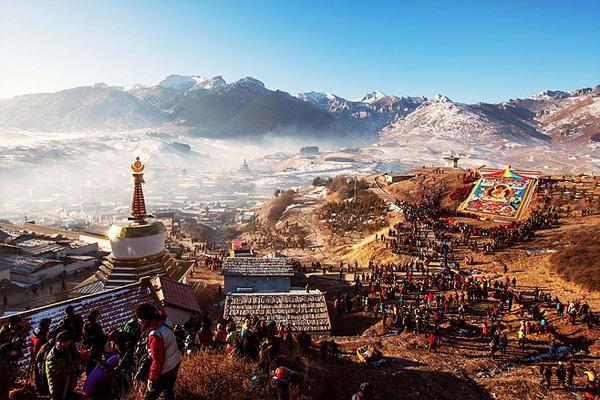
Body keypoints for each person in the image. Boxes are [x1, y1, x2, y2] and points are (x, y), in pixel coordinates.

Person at [135, 303, 181, 400]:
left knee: (150, 395)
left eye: (139, 318)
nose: (138, 321)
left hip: (165, 369)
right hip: (174, 362)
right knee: (168, 390)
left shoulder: (155, 335)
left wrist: (151, 379)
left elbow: (157, 360)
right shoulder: (164, 322)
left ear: (145, 320)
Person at [45, 331, 86, 400]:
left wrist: (80, 355)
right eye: (60, 342)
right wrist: (80, 359)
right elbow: (65, 369)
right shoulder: (53, 356)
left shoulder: (66, 350)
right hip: (59, 390)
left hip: (68, 387)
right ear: (56, 341)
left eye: (65, 342)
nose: (62, 344)